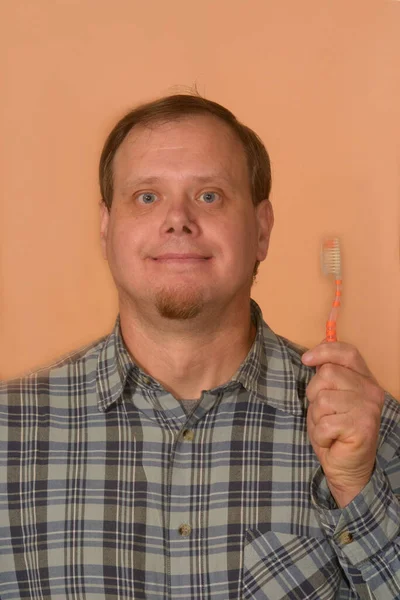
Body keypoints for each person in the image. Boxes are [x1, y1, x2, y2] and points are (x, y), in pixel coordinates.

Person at [0, 94, 399, 600]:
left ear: (261, 230)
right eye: (147, 197)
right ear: (106, 229)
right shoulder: (8, 432)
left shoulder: (369, 434)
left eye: (209, 195)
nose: (178, 220)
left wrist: (356, 488)